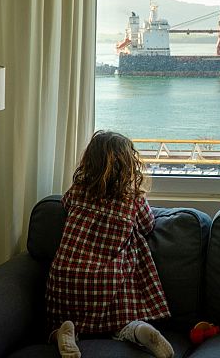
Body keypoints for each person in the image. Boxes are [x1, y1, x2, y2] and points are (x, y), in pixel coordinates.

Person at [45, 130, 174, 358]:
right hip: (104, 280)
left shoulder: (77, 191)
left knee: (56, 322)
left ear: (89, 162)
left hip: (64, 277)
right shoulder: (132, 200)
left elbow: (65, 205)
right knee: (119, 319)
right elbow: (147, 226)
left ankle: (64, 331)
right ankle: (135, 329)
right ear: (128, 165)